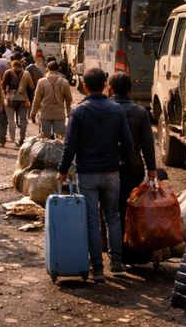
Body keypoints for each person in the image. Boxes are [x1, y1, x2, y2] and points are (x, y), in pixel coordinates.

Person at [57, 69, 133, 280]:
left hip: (87, 173)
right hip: (111, 172)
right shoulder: (117, 110)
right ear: (105, 85)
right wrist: (121, 160)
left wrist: (62, 170)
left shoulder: (79, 111)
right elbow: (128, 143)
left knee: (91, 220)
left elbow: (70, 145)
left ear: (85, 86)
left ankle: (97, 267)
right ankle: (116, 264)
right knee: (113, 218)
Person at [109, 72, 157, 242]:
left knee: (110, 208)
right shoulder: (140, 112)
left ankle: (112, 244)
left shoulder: (106, 109)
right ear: (130, 90)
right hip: (133, 167)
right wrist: (152, 169)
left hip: (108, 166)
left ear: (110, 89)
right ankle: (130, 242)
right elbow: (148, 144)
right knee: (131, 206)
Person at [29, 60, 73, 139]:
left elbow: (37, 100)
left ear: (47, 69)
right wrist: (69, 114)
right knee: (59, 139)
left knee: (45, 139)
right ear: (58, 69)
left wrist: (33, 114)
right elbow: (68, 100)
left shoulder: (41, 82)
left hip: (45, 114)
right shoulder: (64, 82)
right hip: (59, 114)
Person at [3, 58, 30, 146]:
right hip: (22, 99)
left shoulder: (8, 72)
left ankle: (13, 139)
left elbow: (3, 86)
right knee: (23, 120)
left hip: (10, 99)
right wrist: (28, 99)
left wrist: (5, 95)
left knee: (11, 120)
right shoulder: (26, 73)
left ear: (12, 65)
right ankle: (22, 138)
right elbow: (31, 87)